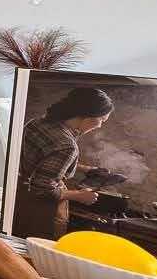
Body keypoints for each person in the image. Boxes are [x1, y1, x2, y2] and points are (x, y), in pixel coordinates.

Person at [15, 86, 116, 236]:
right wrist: (80, 195)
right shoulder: (67, 146)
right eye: (101, 120)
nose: (100, 125)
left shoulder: (36, 123)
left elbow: (42, 160)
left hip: (17, 197)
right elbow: (41, 189)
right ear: (89, 116)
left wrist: (86, 169)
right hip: (36, 209)